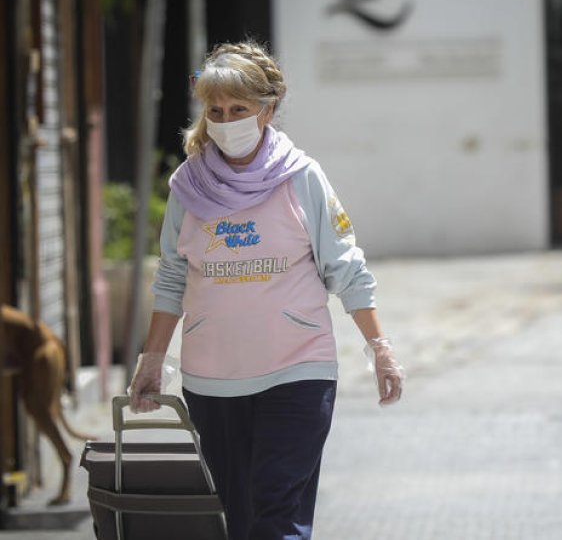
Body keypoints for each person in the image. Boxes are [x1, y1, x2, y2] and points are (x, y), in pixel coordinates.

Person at [128, 41, 405, 539]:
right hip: (213, 378)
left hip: (298, 370)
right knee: (240, 519)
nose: (227, 120)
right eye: (216, 110)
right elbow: (172, 275)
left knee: (277, 515)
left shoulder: (302, 179)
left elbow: (345, 266)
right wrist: (153, 359)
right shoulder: (187, 187)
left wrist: (379, 347)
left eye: (239, 109)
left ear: (267, 109)